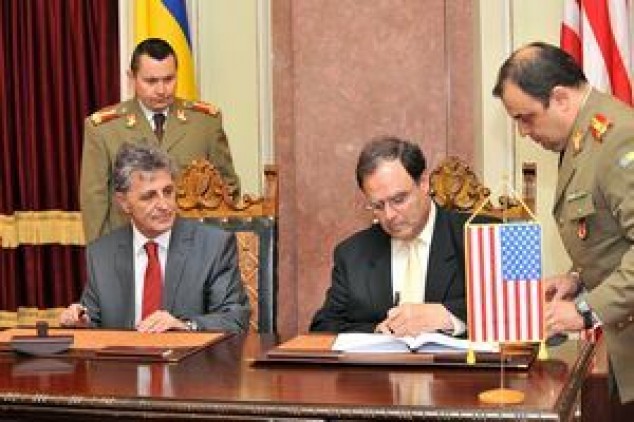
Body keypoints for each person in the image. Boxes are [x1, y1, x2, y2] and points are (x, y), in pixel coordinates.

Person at [493, 41, 634, 404]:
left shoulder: (618, 138)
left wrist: (586, 310)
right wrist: (577, 279)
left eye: (526, 118)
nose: (523, 132)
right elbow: (612, 235)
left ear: (560, 98)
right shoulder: (584, 139)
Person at [310, 136, 494, 336]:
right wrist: (375, 331)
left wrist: (449, 317)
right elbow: (323, 327)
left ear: (423, 183)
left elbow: (514, 309)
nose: (389, 215)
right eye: (378, 205)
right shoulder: (352, 254)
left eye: (398, 199)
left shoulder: (483, 236)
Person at [62, 142, 250, 332]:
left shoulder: (214, 246)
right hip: (123, 352)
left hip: (188, 352)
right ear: (124, 202)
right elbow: (93, 319)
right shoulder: (102, 253)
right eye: (149, 196)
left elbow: (234, 319)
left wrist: (185, 326)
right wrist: (81, 321)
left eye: (168, 192)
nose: (164, 205)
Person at [80, 37, 240, 243]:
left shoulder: (205, 123)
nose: (162, 90)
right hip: (130, 248)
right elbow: (94, 203)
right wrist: (101, 255)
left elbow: (227, 189)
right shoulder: (104, 129)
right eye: (151, 81)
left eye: (169, 79)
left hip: (192, 246)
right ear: (132, 78)